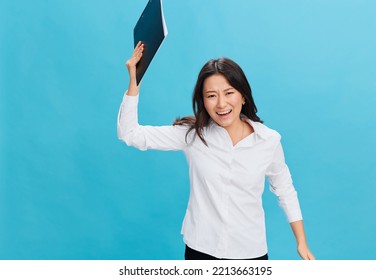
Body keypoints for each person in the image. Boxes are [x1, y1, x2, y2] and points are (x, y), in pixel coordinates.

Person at [117, 41, 315, 260]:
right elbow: (130, 134)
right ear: (203, 101)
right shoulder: (193, 135)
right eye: (211, 95)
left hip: (250, 252)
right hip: (200, 249)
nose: (221, 104)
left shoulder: (269, 140)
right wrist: (134, 83)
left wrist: (302, 242)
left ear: (243, 96)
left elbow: (284, 189)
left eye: (229, 92)